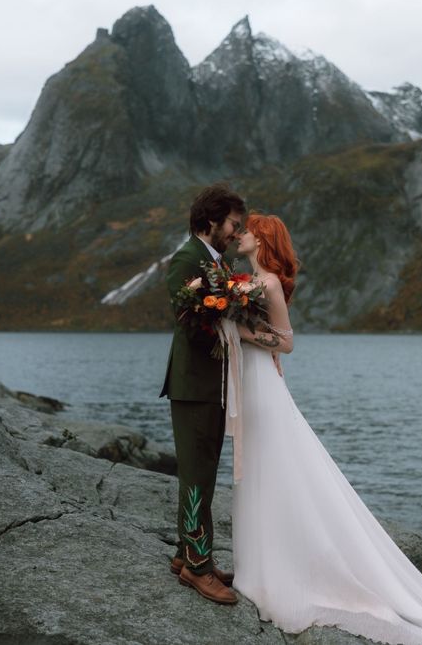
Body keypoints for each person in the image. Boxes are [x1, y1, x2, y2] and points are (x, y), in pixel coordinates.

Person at [232, 213, 422, 645]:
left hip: (264, 382)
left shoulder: (269, 283)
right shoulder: (244, 281)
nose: (240, 235)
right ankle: (260, 565)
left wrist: (240, 331)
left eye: (248, 229)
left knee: (273, 466)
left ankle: (281, 571)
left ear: (264, 238)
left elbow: (287, 341)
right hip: (253, 379)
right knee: (256, 467)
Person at [160, 183, 246, 605]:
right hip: (194, 385)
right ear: (211, 220)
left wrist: (231, 309)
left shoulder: (217, 262)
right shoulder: (187, 258)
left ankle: (186, 555)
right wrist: (226, 316)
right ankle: (197, 569)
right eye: (232, 223)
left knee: (205, 472)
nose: (235, 231)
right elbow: (187, 320)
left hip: (213, 385)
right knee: (196, 474)